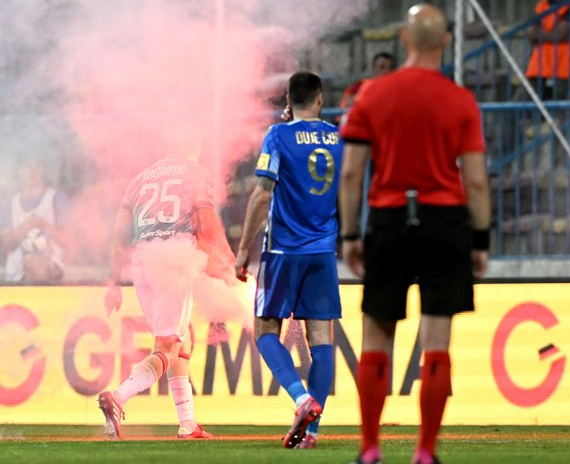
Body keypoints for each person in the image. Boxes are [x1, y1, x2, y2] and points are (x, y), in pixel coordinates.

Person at [339, 4, 490, 464]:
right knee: (437, 339)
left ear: (405, 40)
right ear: (445, 42)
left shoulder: (371, 95)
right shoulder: (460, 100)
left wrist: (349, 235)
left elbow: (351, 174)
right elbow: (478, 179)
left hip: (387, 220)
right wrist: (480, 238)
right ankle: (425, 451)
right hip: (445, 223)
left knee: (377, 336)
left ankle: (370, 449)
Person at [98, 133, 235, 440]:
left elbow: (118, 234)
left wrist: (113, 282)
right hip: (173, 259)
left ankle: (188, 424)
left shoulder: (139, 180)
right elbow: (207, 224)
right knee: (168, 347)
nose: (201, 148)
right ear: (191, 144)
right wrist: (228, 265)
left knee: (182, 340)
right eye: (199, 143)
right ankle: (118, 397)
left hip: (142, 261)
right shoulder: (196, 174)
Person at [234, 71, 342, 450]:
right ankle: (311, 434)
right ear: (320, 97)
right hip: (323, 250)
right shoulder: (337, 137)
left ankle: (301, 399)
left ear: (287, 101)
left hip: (283, 250)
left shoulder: (279, 135)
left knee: (265, 331)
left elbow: (262, 194)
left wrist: (244, 248)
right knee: (321, 339)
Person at [0, 158, 70, 283]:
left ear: (44, 170)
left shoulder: (57, 199)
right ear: (19, 171)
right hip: (15, 279)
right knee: (30, 260)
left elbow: (68, 241)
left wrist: (43, 224)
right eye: (27, 165)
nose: (33, 171)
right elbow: (5, 246)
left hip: (50, 275)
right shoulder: (9, 203)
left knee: (34, 262)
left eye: (37, 165)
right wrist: (28, 226)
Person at [525, 0, 570, 100]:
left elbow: (563, 34)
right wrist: (551, 34)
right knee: (524, 103)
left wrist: (540, 35)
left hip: (567, 67)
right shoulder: (542, 5)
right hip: (540, 66)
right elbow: (531, 33)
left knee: (563, 108)